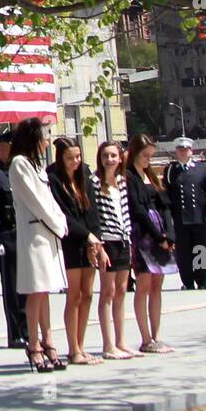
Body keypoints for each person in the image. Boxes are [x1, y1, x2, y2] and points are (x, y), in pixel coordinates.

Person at [9, 117, 68, 373]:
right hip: (35, 233)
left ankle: (49, 339)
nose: (46, 142)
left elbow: (50, 198)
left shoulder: (37, 166)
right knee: (36, 291)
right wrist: (56, 223)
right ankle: (33, 344)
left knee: (46, 291)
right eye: (43, 137)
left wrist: (61, 221)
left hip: (49, 233)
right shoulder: (19, 164)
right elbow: (35, 201)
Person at [49, 138, 104, 365]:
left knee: (88, 293)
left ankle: (81, 345)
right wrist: (86, 235)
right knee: (75, 295)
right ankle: (73, 349)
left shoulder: (84, 176)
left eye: (78, 157)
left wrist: (96, 241)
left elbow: (92, 211)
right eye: (70, 158)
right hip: (71, 240)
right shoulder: (53, 179)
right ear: (61, 158)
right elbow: (62, 214)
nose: (75, 162)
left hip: (89, 241)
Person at [125, 134, 176, 353]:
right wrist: (158, 236)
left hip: (161, 232)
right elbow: (138, 211)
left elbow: (164, 204)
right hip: (144, 233)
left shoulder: (151, 176)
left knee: (157, 285)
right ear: (135, 153)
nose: (148, 159)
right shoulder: (129, 176)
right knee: (144, 284)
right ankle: (145, 338)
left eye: (150, 156)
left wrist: (169, 234)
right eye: (145, 155)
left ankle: (156, 335)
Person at [0, 128, 28, 348]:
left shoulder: (21, 171)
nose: (3, 150)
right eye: (0, 147)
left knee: (28, 285)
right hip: (7, 236)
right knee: (12, 288)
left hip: (25, 234)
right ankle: (16, 332)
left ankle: (29, 327)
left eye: (7, 147)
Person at [92, 141, 136, 360]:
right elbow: (94, 217)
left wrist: (130, 238)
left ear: (120, 158)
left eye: (113, 156)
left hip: (124, 240)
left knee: (121, 290)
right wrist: (99, 246)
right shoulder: (94, 182)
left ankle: (121, 341)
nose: (109, 160)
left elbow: (125, 212)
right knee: (107, 293)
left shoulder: (122, 181)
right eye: (105, 156)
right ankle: (108, 344)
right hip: (107, 242)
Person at [165, 137, 206, 290]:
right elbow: (166, 194)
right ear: (176, 152)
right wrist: (168, 218)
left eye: (186, 149)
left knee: (200, 250)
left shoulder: (200, 168)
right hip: (180, 218)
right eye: (180, 149)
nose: (183, 152)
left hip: (198, 217)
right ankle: (187, 281)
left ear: (191, 151)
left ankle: (201, 280)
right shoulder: (171, 170)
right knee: (183, 253)